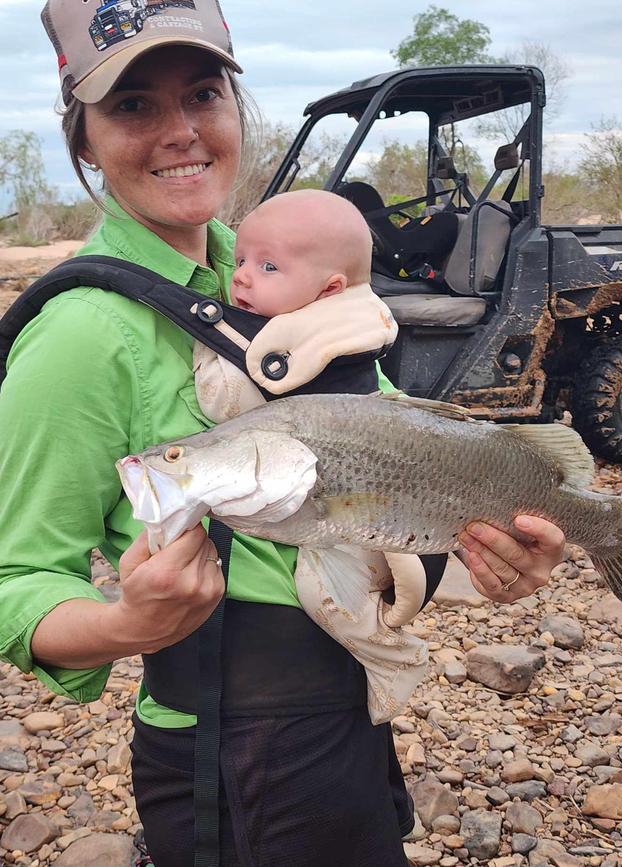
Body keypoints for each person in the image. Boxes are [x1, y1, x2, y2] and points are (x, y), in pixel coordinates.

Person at [0, 2, 567, 866]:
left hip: (343, 717)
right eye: (133, 105)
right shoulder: (82, 335)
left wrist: (484, 554)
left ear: (236, 105)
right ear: (83, 138)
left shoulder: (286, 274)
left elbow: (390, 462)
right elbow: (15, 580)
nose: (180, 132)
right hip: (226, 749)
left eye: (202, 93)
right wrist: (125, 622)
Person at [193, 187, 433, 725]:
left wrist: (205, 351)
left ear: (328, 290)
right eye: (241, 261)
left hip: (347, 513)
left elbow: (231, 401)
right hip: (366, 491)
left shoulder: (297, 345)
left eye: (268, 266)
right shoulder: (348, 325)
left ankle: (390, 661)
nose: (241, 278)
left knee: (328, 591)